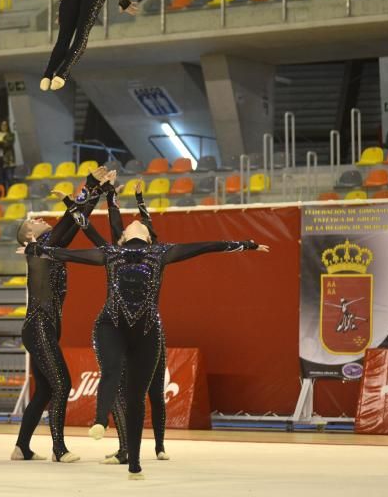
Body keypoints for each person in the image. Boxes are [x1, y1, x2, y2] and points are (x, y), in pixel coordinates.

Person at [27, 189, 268, 480]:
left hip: (146, 329)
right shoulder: (111, 252)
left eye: (139, 221)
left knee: (140, 395)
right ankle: (103, 424)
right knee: (114, 375)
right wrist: (39, 250)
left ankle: (136, 459)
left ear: (150, 236)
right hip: (113, 325)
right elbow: (74, 249)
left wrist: (245, 245)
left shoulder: (160, 252)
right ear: (123, 236)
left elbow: (204, 246)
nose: (133, 222)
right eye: (128, 224)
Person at [11, 166, 112, 463]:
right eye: (36, 220)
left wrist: (95, 189)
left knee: (44, 390)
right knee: (62, 384)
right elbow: (72, 218)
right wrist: (91, 186)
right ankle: (59, 449)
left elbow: (77, 220)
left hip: (46, 327)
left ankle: (21, 447)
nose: (43, 220)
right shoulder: (42, 246)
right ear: (29, 233)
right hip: (39, 325)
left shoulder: (51, 247)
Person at [0, 120, 16, 187]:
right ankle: (3, 194)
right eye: (2, 125)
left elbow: (7, 144)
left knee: (9, 178)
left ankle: (11, 194)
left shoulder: (11, 135)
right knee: (0, 180)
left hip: (8, 160)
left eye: (5, 125)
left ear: (7, 126)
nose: (4, 126)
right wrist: (1, 142)